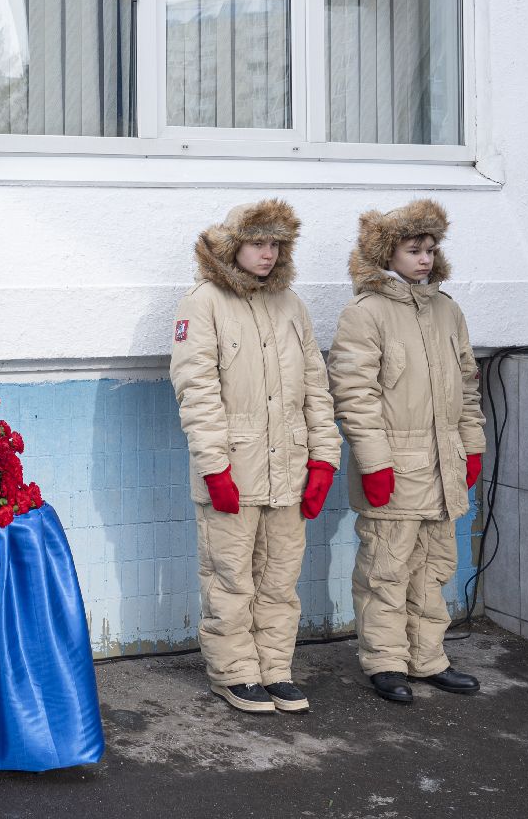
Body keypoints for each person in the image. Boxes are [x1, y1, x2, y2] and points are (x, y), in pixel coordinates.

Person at [168, 200, 341, 715]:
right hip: (234, 470)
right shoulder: (203, 303)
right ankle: (236, 672)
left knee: (280, 579)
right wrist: (214, 466)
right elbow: (196, 390)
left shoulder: (292, 305)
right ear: (234, 245)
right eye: (258, 243)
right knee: (230, 578)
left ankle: (276, 669)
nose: (268, 254)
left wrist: (324, 459)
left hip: (289, 467)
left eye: (276, 245)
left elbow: (316, 386)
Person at [329, 200, 485, 703]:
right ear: (386, 252)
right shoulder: (366, 312)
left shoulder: (446, 309)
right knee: (387, 568)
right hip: (397, 465)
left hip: (444, 465)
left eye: (430, 248)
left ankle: (428, 657)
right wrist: (374, 462)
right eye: (412, 249)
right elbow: (355, 394)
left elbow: (466, 384)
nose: (424, 258)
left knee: (434, 565)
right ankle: (385, 661)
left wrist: (472, 446)